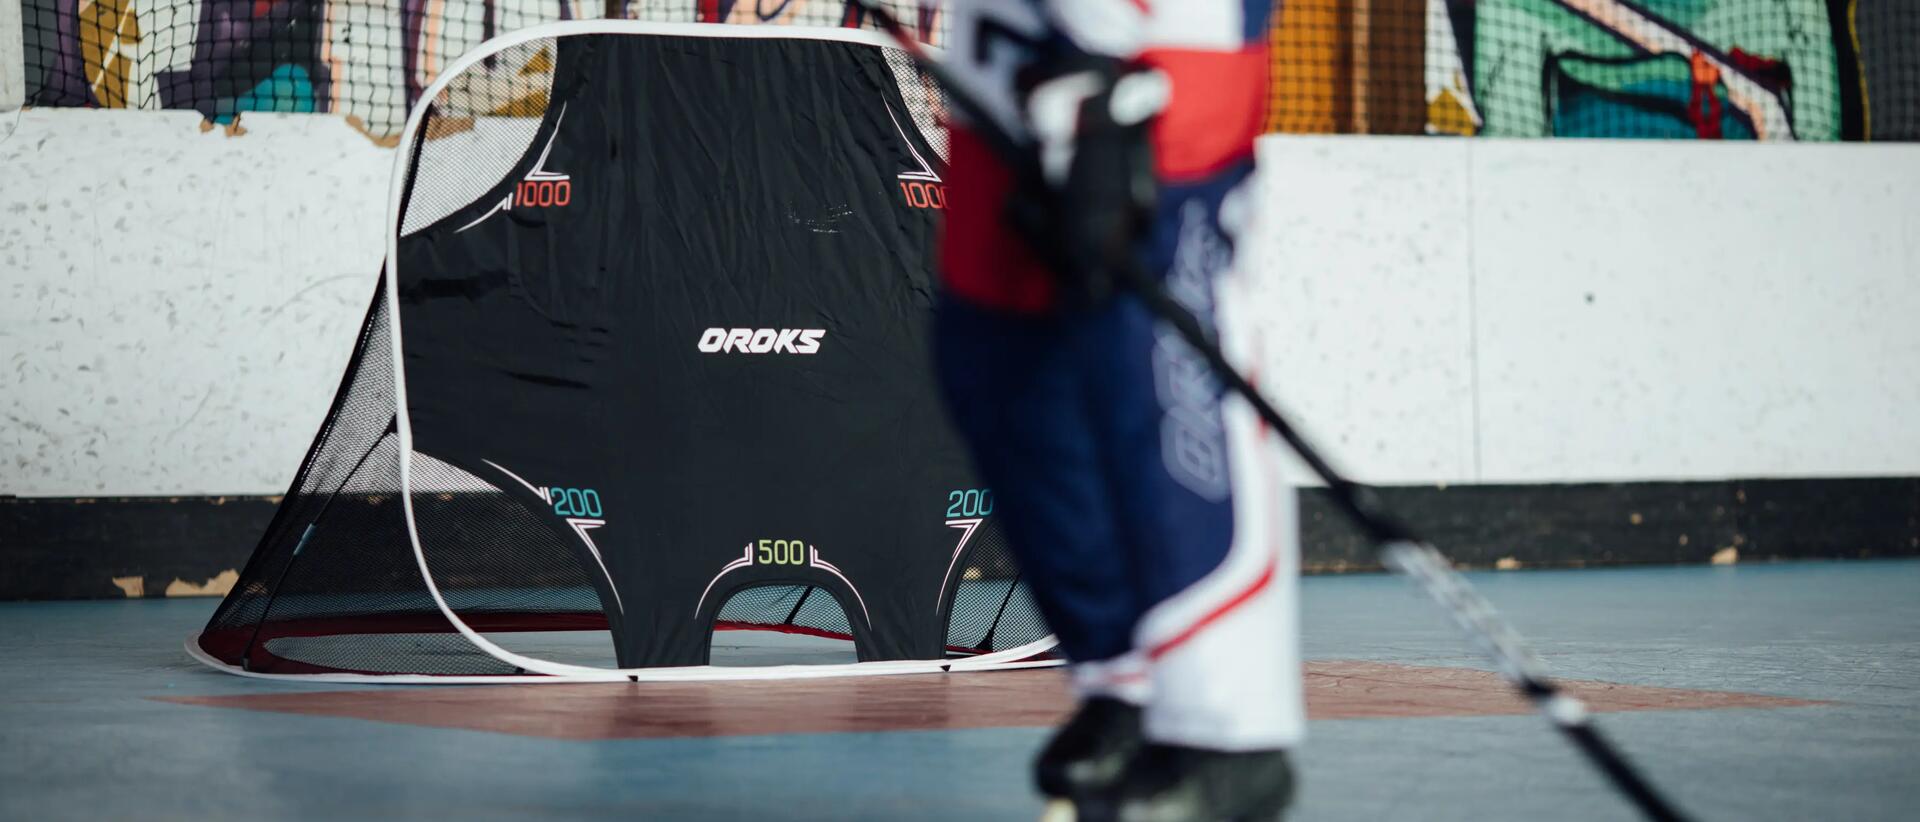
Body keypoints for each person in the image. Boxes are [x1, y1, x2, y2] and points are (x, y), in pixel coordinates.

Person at [930, 1, 1303, 819]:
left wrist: (1102, 78)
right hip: (1006, 50)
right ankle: (1123, 680)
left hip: (1157, 47)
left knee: (1161, 356)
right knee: (995, 350)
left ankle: (1227, 729)